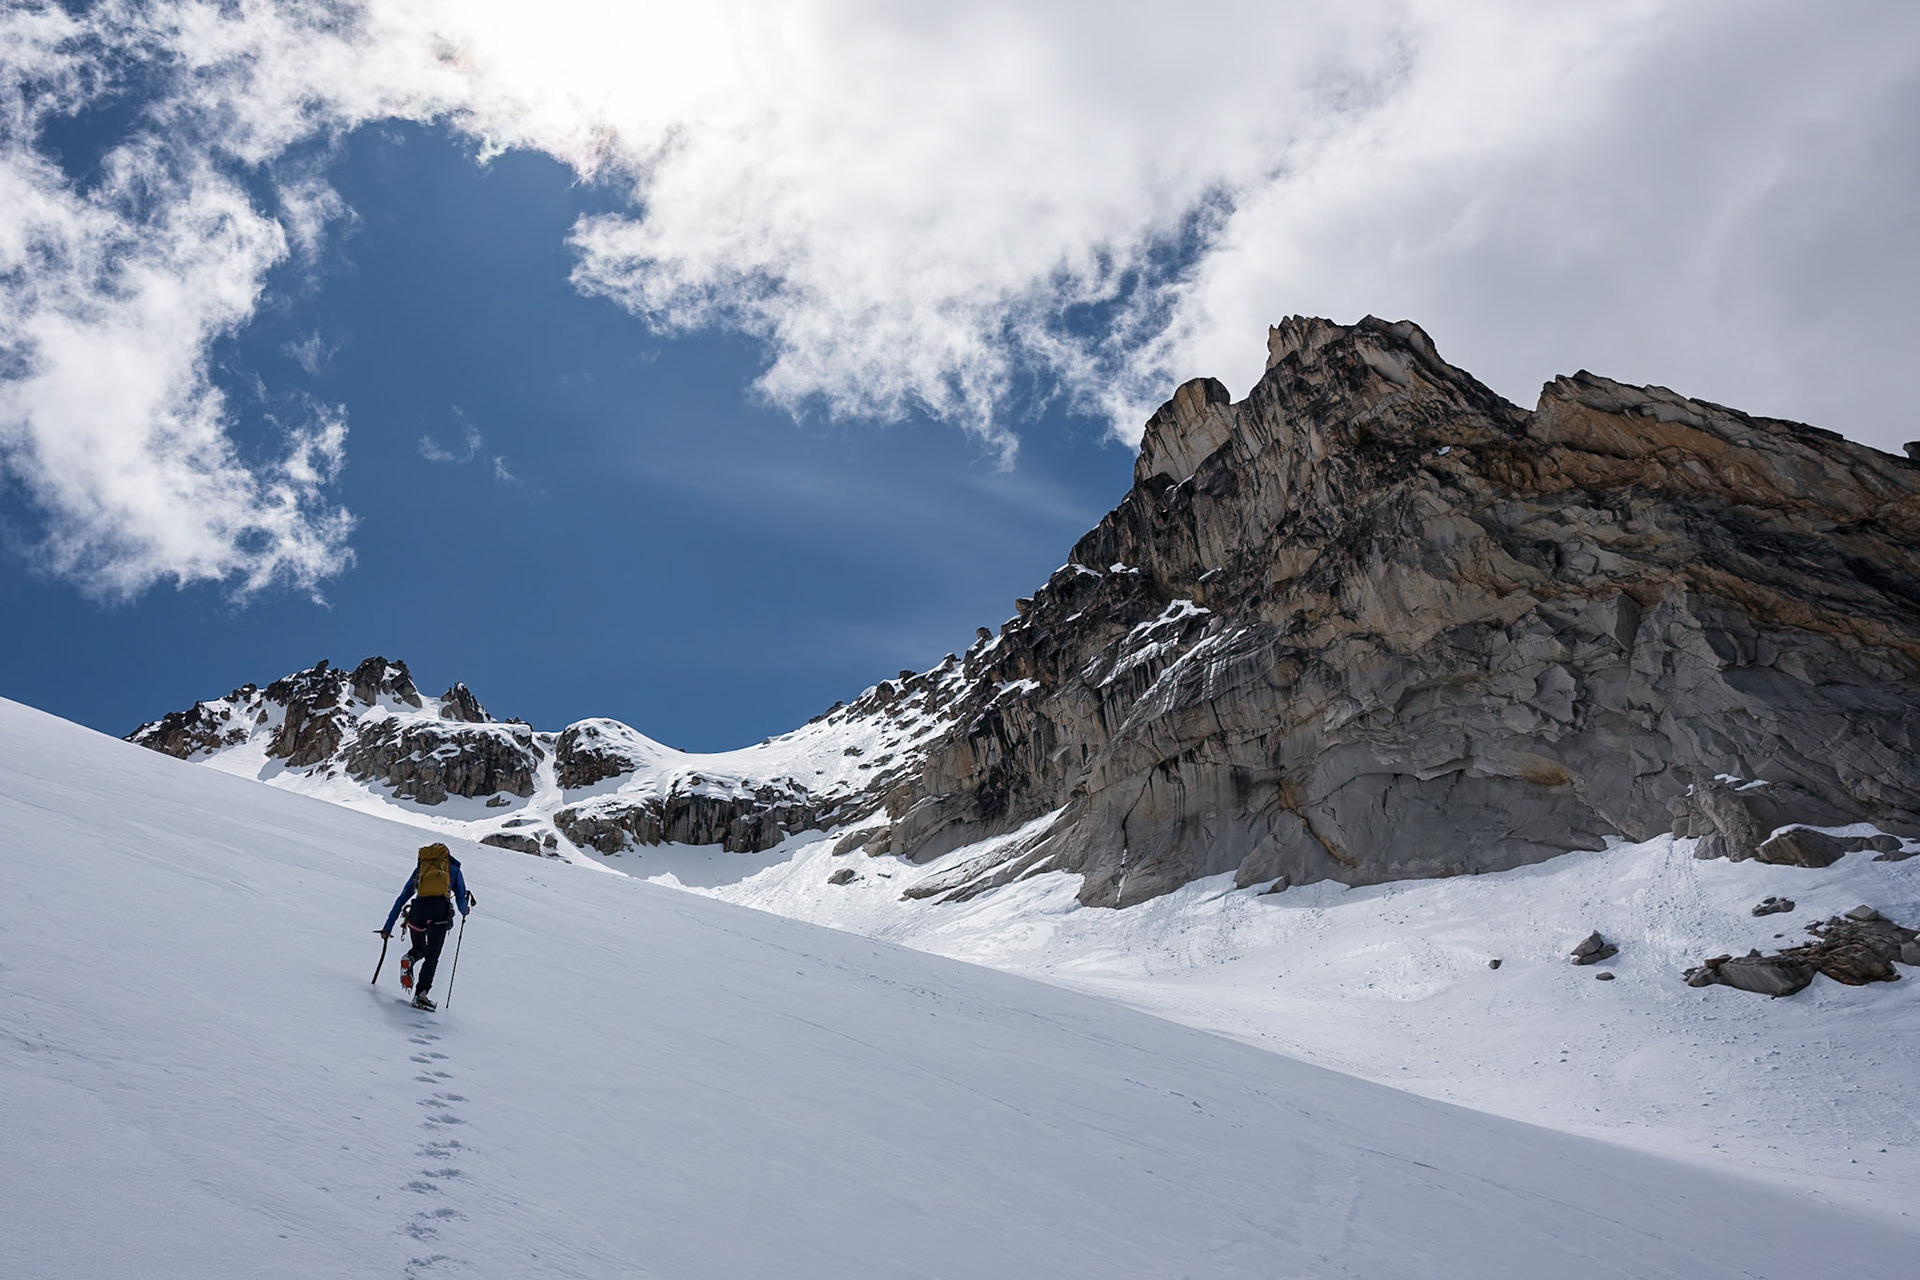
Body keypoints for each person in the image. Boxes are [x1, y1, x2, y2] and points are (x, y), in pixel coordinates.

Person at [380, 843, 474, 1011]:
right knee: (432, 955)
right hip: (439, 912)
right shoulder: (453, 870)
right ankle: (420, 995)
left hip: (418, 910)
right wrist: (464, 911)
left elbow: (402, 897)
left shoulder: (421, 870)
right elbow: (461, 898)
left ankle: (410, 958)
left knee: (419, 948)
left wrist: (388, 926)